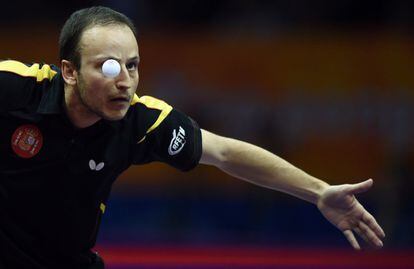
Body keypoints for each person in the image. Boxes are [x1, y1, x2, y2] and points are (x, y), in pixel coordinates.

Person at [0, 6, 385, 269]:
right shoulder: (15, 89)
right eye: (109, 67)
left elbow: (224, 152)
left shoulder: (142, 121)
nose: (125, 81)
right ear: (69, 71)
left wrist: (318, 191)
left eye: (133, 66)